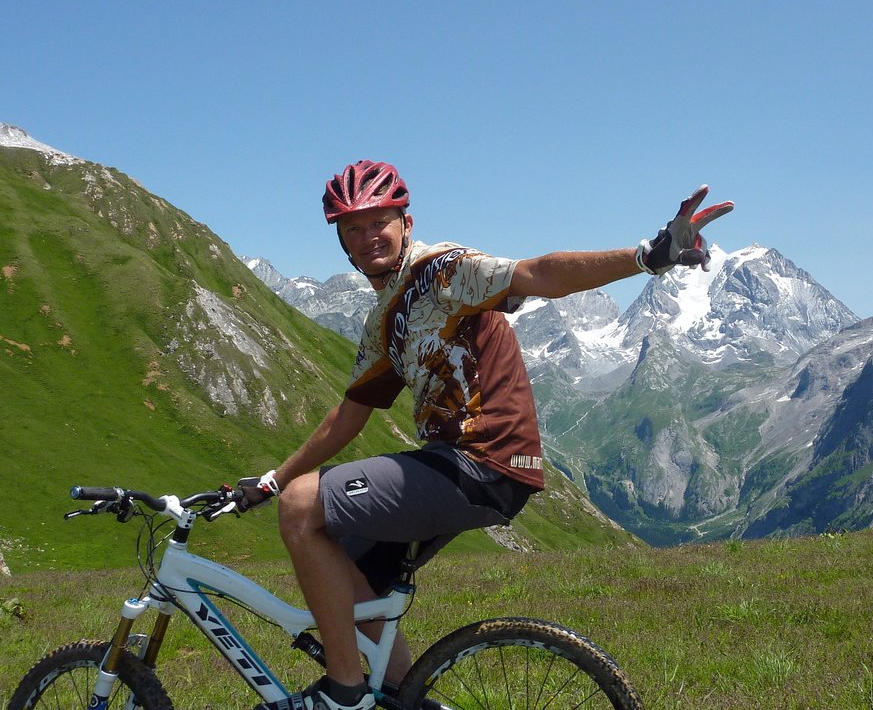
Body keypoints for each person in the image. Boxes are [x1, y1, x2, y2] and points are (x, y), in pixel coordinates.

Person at [239, 160, 733, 710]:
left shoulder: (443, 271)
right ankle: (400, 698)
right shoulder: (387, 314)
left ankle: (344, 692)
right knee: (354, 585)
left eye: (378, 221)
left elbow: (539, 274)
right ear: (341, 243)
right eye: (351, 229)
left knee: (302, 505)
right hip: (455, 465)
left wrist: (648, 256)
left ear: (405, 222)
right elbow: (350, 414)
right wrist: (268, 480)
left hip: (480, 463)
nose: (366, 237)